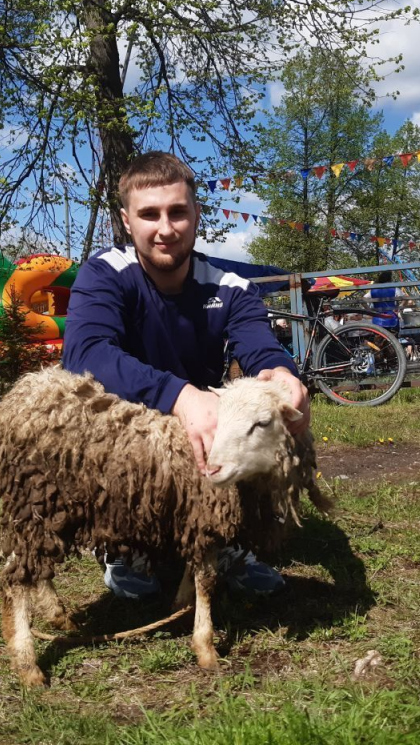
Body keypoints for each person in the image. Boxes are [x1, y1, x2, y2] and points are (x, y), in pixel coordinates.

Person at [62, 151, 310, 599]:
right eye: (149, 214)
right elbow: (85, 353)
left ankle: (228, 540)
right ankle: (123, 543)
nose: (165, 228)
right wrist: (179, 395)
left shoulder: (231, 285)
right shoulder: (103, 275)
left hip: (208, 424)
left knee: (263, 428)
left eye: (178, 212)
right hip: (131, 424)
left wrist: (281, 377)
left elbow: (258, 345)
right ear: (126, 220)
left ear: (196, 214)